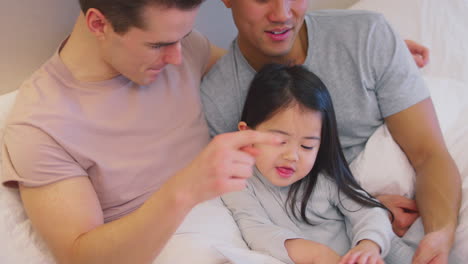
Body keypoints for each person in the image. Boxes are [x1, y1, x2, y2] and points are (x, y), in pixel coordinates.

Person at [0, 1, 281, 264]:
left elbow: (258, 86)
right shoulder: (41, 127)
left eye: (182, 37)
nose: (176, 58)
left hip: (255, 227)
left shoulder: (182, 47)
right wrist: (186, 189)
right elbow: (80, 255)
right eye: (158, 44)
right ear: (98, 24)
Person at [200, 0, 461, 263]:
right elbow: (253, 226)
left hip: (390, 230)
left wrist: (439, 235)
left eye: (307, 145)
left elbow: (429, 154)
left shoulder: (367, 36)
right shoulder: (216, 104)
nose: (282, 13)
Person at [222, 63, 461, 264]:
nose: (292, 156)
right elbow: (258, 231)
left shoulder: (322, 178)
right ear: (246, 134)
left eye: (307, 146)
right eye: (280, 141)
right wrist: (323, 257)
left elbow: (368, 211)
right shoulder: (238, 183)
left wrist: (369, 245)